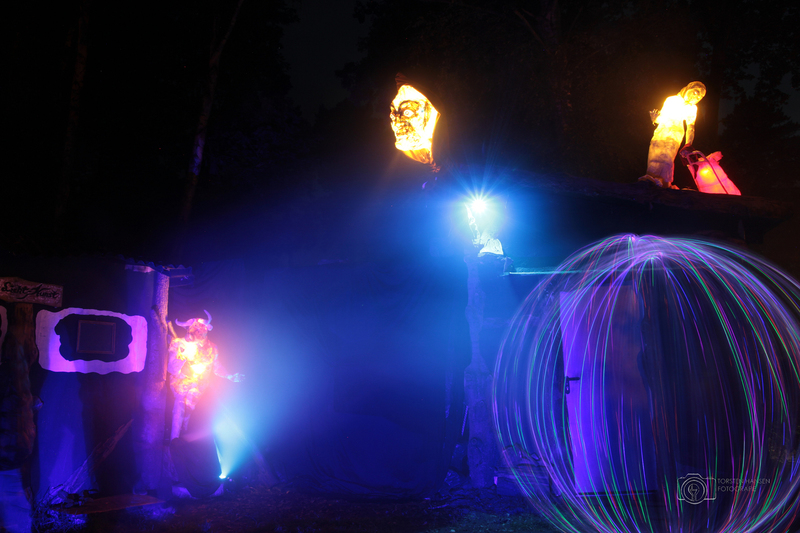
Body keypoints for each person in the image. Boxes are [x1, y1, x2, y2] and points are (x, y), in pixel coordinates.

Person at [168, 311, 242, 440]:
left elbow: (216, 367)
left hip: (199, 385)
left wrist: (229, 376)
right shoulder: (179, 343)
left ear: (206, 330)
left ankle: (182, 432)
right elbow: (171, 368)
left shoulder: (213, 348)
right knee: (179, 403)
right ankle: (174, 438)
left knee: (188, 409)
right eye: (194, 328)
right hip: (181, 381)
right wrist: (182, 359)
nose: (197, 331)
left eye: (200, 329)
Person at [640, 81, 706, 188]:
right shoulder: (671, 100)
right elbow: (662, 118)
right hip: (661, 131)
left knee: (667, 158)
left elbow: (691, 127)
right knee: (654, 154)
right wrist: (655, 119)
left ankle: (664, 182)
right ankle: (651, 178)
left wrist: (688, 144)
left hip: (675, 134)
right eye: (695, 92)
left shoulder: (692, 108)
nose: (696, 97)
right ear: (688, 88)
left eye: (700, 97)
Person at [0, 346, 35, 533]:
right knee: (16, 510)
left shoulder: (10, 375)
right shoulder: (14, 375)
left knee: (16, 509)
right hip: (11, 456)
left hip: (10, 457)